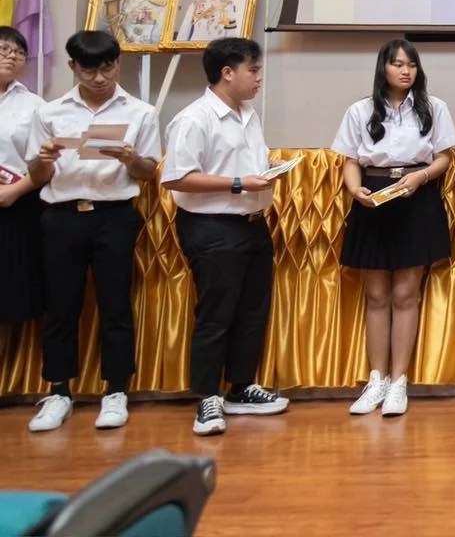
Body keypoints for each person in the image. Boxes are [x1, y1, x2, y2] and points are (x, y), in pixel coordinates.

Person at [25, 31, 161, 433]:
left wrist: (131, 158)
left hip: (114, 214)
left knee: (115, 304)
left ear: (118, 64)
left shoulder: (141, 112)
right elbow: (36, 175)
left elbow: (150, 172)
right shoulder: (50, 113)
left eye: (107, 67)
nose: (99, 78)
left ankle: (115, 390)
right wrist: (44, 159)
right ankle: (58, 391)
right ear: (73, 67)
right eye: (89, 69)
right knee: (61, 306)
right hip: (61, 215)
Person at [163, 38, 291, 436]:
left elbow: (242, 163)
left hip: (252, 223)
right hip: (212, 227)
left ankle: (240, 387)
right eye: (253, 70)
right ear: (227, 73)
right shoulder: (194, 118)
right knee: (216, 314)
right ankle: (207, 396)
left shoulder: (247, 114)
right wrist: (239, 182)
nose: (259, 78)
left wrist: (267, 171)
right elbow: (177, 177)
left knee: (252, 309)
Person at [333, 39, 455, 417]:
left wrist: (422, 177)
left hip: (416, 196)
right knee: (376, 295)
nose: (405, 71)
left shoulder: (433, 107)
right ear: (382, 68)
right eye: (397, 64)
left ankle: (399, 381)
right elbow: (350, 160)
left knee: (406, 293)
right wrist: (355, 190)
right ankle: (377, 379)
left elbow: (445, 158)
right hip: (374, 197)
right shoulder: (360, 110)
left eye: (412, 65)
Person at [0, 29, 46, 361]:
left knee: (5, 298)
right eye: (3, 49)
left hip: (14, 205)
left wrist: (15, 191)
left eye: (18, 52)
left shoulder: (35, 105)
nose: (11, 56)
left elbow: (45, 163)